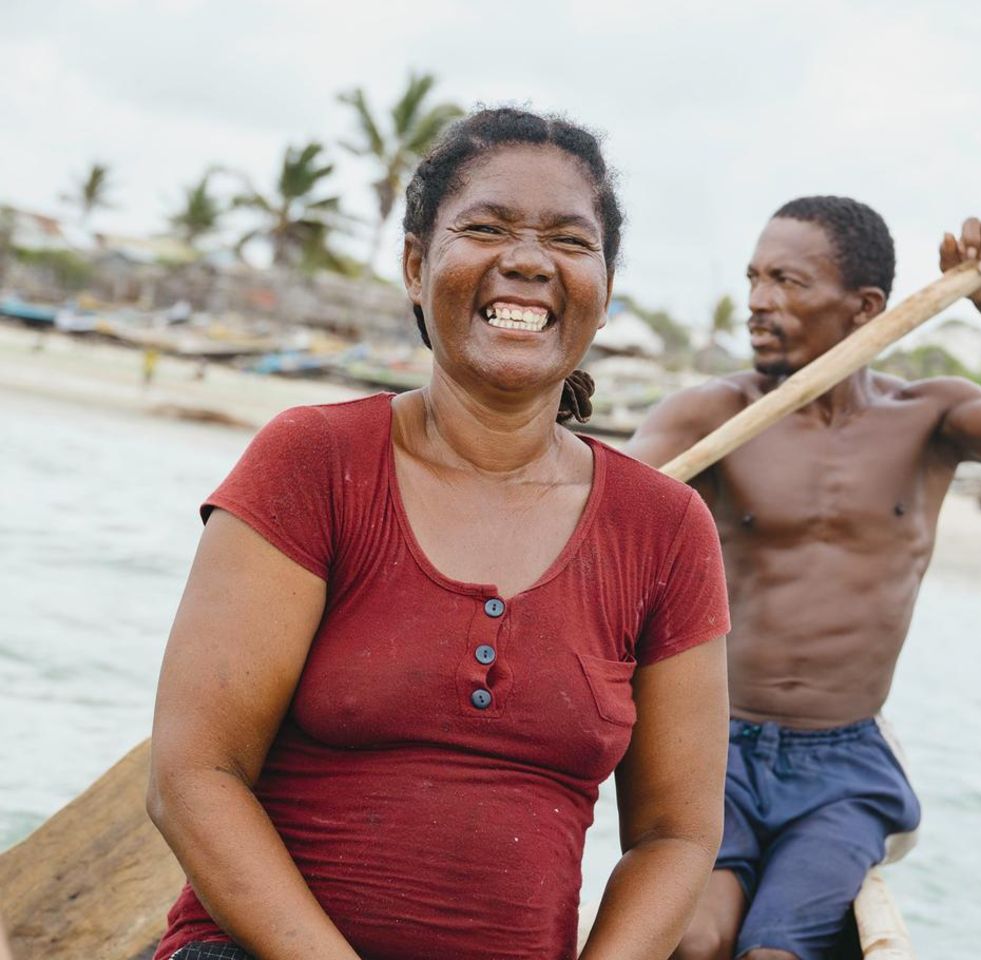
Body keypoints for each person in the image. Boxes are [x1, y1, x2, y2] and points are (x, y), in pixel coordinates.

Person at [147, 107, 732, 960]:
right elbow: (192, 776)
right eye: (487, 227)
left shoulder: (668, 529)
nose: (528, 260)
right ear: (418, 266)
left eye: (570, 241)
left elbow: (676, 836)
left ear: (604, 292)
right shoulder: (313, 460)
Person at [628, 196, 981, 960]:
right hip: (714, 745)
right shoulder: (711, 412)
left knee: (774, 954)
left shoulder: (929, 416)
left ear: (864, 308)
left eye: (787, 280)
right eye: (753, 277)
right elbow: (596, 513)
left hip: (842, 764)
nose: (758, 301)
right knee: (697, 941)